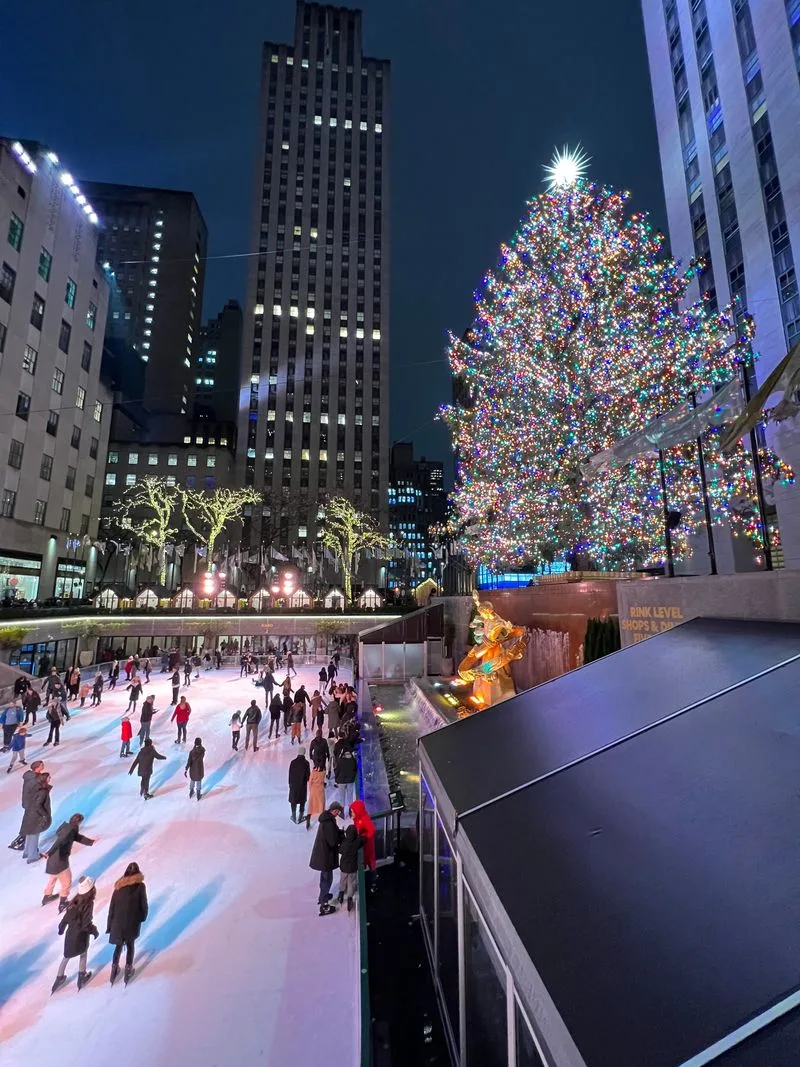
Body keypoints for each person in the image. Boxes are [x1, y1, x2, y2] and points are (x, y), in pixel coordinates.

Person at [51, 876, 99, 993]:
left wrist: (61, 928)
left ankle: (59, 977)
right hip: (81, 935)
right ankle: (82, 975)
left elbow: (66, 918)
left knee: (66, 956)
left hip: (70, 935)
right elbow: (86, 923)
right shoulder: (88, 904)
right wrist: (93, 930)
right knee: (83, 953)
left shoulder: (75, 901)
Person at [107, 861, 148, 986]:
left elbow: (112, 908)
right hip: (132, 922)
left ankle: (114, 968)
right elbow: (144, 905)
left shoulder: (118, 888)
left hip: (117, 923)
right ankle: (128, 969)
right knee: (130, 945)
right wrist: (142, 917)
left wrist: (110, 926)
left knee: (118, 946)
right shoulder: (140, 886)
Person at [43, 814, 95, 911]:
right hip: (60, 861)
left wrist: (90, 842)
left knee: (53, 878)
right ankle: (63, 903)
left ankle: (46, 897)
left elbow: (76, 837)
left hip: (52, 860)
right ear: (79, 822)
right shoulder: (70, 831)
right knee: (67, 882)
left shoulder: (66, 827)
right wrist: (49, 852)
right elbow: (60, 841)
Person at [309, 801, 344, 915]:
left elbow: (333, 833)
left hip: (323, 855)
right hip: (326, 856)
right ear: (333, 810)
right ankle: (324, 905)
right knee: (327, 879)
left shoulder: (327, 819)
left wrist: (339, 832)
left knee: (325, 877)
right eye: (337, 811)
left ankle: (322, 896)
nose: (338, 813)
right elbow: (332, 841)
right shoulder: (328, 822)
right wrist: (341, 837)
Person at [21, 768, 52, 862]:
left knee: (30, 833)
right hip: (36, 816)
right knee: (34, 835)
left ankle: (27, 852)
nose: (50, 778)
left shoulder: (36, 788)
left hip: (30, 813)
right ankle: (32, 856)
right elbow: (38, 805)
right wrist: (44, 815)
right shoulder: (43, 791)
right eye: (49, 777)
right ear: (45, 779)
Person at [350, 799, 377, 890]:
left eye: (353, 811)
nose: (352, 813)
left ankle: (374, 881)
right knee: (363, 861)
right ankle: (365, 879)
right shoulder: (357, 818)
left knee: (371, 862)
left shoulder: (365, 819)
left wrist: (365, 837)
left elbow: (372, 830)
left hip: (367, 845)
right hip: (362, 844)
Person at [337, 824, 364, 911]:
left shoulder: (344, 842)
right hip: (352, 867)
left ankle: (341, 894)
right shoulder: (357, 842)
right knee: (351, 883)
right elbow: (363, 840)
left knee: (342, 880)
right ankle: (349, 899)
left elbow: (339, 850)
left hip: (344, 867)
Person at [333, 733, 358, 810]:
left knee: (342, 797)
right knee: (350, 796)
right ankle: (351, 811)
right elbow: (355, 769)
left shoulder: (340, 760)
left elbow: (337, 770)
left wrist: (336, 780)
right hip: (350, 780)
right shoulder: (352, 760)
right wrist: (353, 777)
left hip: (341, 780)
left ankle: (342, 812)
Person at [288, 746, 310, 822]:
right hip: (302, 786)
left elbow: (290, 774)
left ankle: (294, 817)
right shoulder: (306, 763)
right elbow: (308, 776)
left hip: (293, 785)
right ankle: (300, 818)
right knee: (302, 802)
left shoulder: (293, 762)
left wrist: (290, 783)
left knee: (293, 801)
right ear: (304, 753)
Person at [306, 763, 326, 830]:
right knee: (321, 806)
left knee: (311, 806)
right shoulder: (323, 773)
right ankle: (322, 822)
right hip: (320, 791)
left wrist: (310, 790)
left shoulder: (313, 773)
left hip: (314, 791)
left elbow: (310, 782)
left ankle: (308, 820)